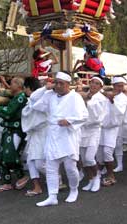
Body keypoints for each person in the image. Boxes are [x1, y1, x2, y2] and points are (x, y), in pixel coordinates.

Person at [32, 71, 88, 207]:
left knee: (70, 167)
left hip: (68, 135)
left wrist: (69, 121)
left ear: (68, 84)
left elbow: (84, 116)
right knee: (51, 167)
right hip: (52, 134)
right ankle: (52, 196)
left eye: (60, 83)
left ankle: (74, 190)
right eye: (56, 83)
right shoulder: (49, 95)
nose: (57, 86)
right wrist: (45, 88)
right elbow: (34, 102)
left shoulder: (75, 97)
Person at [0, 77, 29, 192]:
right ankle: (7, 183)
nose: (11, 84)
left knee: (10, 155)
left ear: (19, 85)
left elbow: (9, 113)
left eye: (13, 83)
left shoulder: (21, 98)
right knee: (2, 156)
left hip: (16, 130)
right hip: (8, 129)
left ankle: (21, 176)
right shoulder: (15, 97)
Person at [97, 77, 127, 187]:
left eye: (122, 86)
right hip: (101, 127)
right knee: (99, 153)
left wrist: (112, 100)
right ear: (113, 85)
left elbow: (120, 111)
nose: (120, 88)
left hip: (112, 128)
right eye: (118, 85)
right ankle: (98, 173)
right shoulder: (105, 95)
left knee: (107, 151)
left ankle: (111, 175)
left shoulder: (123, 98)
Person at [80, 76, 108, 192]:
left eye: (97, 83)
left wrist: (86, 101)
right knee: (83, 159)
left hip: (94, 130)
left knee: (90, 158)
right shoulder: (84, 95)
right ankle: (90, 179)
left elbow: (98, 116)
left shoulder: (101, 98)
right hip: (82, 130)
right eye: (92, 82)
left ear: (101, 87)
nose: (93, 85)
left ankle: (97, 177)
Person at [21, 77, 46, 196]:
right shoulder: (31, 100)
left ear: (29, 88)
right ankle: (37, 187)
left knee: (39, 163)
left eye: (25, 88)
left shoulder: (41, 98)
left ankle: (56, 177)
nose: (24, 91)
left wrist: (46, 87)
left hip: (43, 133)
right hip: (33, 134)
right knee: (30, 161)